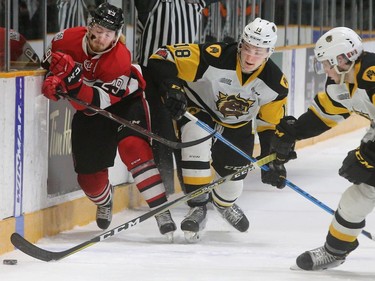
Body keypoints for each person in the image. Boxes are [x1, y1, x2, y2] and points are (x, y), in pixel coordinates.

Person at [40, 3, 176, 240]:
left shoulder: (119, 59)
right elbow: (48, 67)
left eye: (109, 33)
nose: (102, 38)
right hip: (89, 107)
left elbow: (94, 105)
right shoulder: (65, 40)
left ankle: (161, 211)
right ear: (90, 25)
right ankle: (105, 200)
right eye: (99, 30)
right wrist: (53, 81)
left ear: (117, 35)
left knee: (134, 149)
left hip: (125, 103)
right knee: (90, 181)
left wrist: (72, 82)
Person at [147, 17, 290, 242]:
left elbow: (269, 124)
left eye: (259, 51)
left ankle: (224, 204)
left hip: (237, 124)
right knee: (195, 138)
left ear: (270, 52)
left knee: (233, 183)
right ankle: (198, 205)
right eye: (248, 48)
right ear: (241, 43)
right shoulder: (214, 55)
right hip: (200, 110)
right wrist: (172, 87)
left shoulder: (275, 82)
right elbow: (162, 56)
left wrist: (270, 159)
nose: (251, 56)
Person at [270, 27, 375, 270]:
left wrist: (367, 156)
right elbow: (324, 115)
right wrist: (292, 133)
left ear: (342, 58)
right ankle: (334, 251)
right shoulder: (342, 82)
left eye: (327, 63)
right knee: (356, 198)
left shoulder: (371, 75)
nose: (325, 70)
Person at [135, 0, 220, 194]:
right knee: (161, 132)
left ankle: (192, 187)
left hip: (187, 74)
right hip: (153, 74)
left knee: (189, 130)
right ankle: (164, 188)